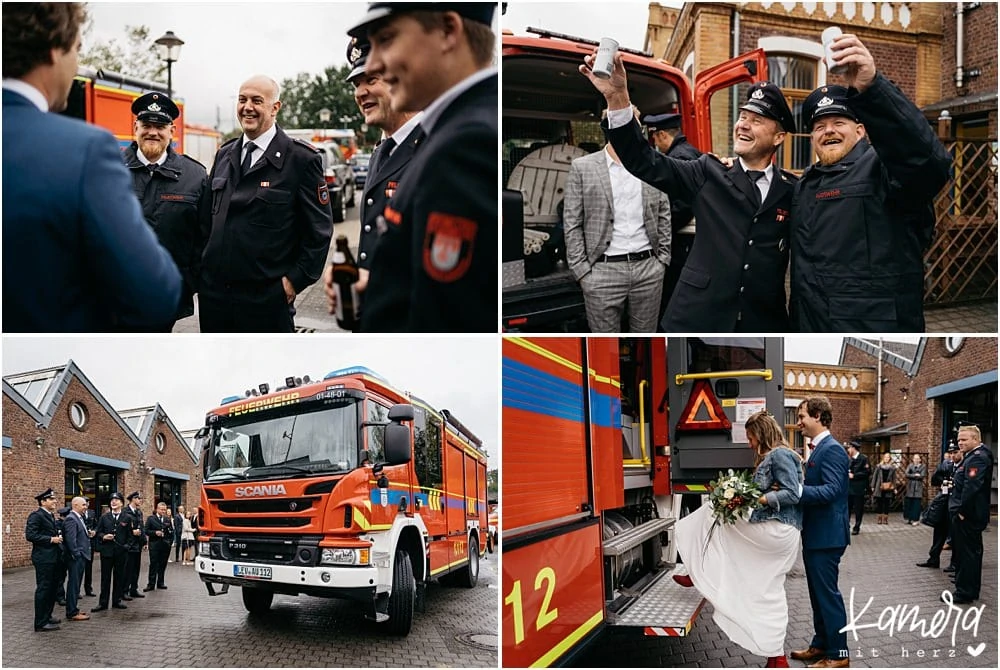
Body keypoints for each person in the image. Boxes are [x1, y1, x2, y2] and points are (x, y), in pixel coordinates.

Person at [583, 52, 797, 332]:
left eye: (756, 120)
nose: (743, 124)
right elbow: (644, 161)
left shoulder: (792, 189)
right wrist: (618, 98)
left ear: (778, 137)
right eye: (742, 116)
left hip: (761, 322)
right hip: (698, 317)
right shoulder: (708, 171)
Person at [2, 2, 181, 332]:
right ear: (56, 49)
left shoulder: (193, 174)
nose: (77, 66)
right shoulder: (86, 150)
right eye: (78, 50)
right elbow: (156, 293)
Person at [349, 2, 498, 332]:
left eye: (386, 39)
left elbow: (446, 320)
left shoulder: (466, 144)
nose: (373, 63)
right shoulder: (453, 133)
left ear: (448, 31)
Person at [791, 33, 952, 332]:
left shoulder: (884, 171)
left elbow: (928, 163)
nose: (828, 131)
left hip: (869, 325)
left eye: (839, 123)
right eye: (819, 127)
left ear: (861, 131)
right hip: (809, 325)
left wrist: (872, 88)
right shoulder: (804, 185)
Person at [200, 75, 332, 332]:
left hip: (266, 302)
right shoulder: (225, 154)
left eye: (256, 100)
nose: (247, 107)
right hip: (215, 300)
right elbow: (206, 221)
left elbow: (319, 233)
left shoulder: (300, 160)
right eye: (242, 100)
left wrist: (294, 281)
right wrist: (201, 274)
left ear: (275, 108)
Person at [674, 411, 803, 668]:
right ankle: (776, 657)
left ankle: (696, 570)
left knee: (714, 510)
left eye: (751, 436)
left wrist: (759, 498)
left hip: (777, 529)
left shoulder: (780, 455)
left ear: (761, 433)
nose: (749, 442)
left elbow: (793, 494)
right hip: (780, 531)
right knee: (766, 590)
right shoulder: (776, 456)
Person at [324, 35, 424, 325]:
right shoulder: (383, 151)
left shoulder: (435, 150)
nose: (360, 92)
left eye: (372, 79)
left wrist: (381, 283)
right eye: (356, 84)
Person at [562, 125, 671, 332]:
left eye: (637, 126)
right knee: (604, 345)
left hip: (648, 268)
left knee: (647, 340)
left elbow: (664, 211)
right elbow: (572, 221)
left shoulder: (653, 165)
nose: (634, 131)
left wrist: (662, 260)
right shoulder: (583, 167)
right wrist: (582, 271)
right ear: (611, 129)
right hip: (602, 271)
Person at [123, 91, 208, 331]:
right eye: (146, 125)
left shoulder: (195, 176)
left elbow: (204, 237)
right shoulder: (109, 169)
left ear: (172, 131)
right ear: (135, 128)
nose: (153, 132)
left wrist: (187, 282)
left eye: (160, 126)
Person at [792, 396, 850, 669]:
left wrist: (796, 492)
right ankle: (820, 645)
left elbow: (832, 490)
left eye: (802, 416)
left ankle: (839, 654)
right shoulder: (819, 448)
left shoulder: (833, 450)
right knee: (818, 594)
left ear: (817, 416)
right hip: (817, 534)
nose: (798, 422)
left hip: (827, 536)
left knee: (827, 595)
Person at [642, 112, 701, 322]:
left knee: (674, 293)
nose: (655, 144)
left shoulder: (679, 157)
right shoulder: (689, 151)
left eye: (655, 139)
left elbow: (683, 205)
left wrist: (660, 230)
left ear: (662, 135)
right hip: (689, 239)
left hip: (684, 238)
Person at [947, 425, 994, 604]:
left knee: (967, 554)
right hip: (970, 514)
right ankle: (970, 589)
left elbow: (971, 487)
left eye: (964, 439)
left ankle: (964, 592)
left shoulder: (978, 457)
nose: (960, 443)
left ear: (976, 439)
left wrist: (961, 512)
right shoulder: (973, 456)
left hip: (968, 515)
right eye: (959, 439)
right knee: (971, 553)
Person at [25, 489, 64, 631]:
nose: (55, 501)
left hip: (53, 558)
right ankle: (40, 623)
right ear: (43, 501)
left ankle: (47, 616)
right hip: (43, 558)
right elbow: (30, 535)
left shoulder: (50, 515)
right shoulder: (36, 516)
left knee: (52, 588)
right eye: (51, 499)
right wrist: (50, 539)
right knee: (44, 588)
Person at [917, 443, 959, 570]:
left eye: (955, 453)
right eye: (950, 453)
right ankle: (933, 559)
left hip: (955, 504)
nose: (952, 456)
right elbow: (934, 479)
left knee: (955, 535)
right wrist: (943, 482)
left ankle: (954, 563)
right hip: (944, 503)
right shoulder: (946, 464)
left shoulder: (964, 465)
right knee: (939, 532)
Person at [92, 492, 130, 611]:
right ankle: (103, 603)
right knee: (105, 578)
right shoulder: (104, 517)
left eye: (116, 500)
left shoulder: (127, 518)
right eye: (112, 500)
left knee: (119, 577)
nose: (113, 502)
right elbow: (98, 532)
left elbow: (129, 535)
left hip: (120, 552)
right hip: (107, 552)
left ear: (122, 503)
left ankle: (117, 601)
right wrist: (104, 536)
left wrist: (126, 546)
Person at [62, 496, 92, 621]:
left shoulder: (78, 518)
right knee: (74, 585)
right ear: (75, 505)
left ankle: (74, 609)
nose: (86, 507)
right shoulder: (71, 519)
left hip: (80, 557)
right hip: (76, 558)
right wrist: (77, 554)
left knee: (76, 584)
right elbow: (70, 540)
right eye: (84, 505)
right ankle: (72, 612)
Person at [144, 501, 173, 590]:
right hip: (154, 545)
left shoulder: (167, 519)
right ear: (157, 509)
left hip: (165, 546)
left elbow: (171, 532)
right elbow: (146, 531)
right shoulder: (151, 519)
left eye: (165, 510)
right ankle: (151, 584)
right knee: (153, 564)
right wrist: (155, 533)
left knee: (162, 564)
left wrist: (170, 543)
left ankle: (160, 582)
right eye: (162, 509)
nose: (163, 511)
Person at [123, 491, 146, 599]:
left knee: (136, 569)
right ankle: (124, 590)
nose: (140, 501)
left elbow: (142, 526)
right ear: (133, 499)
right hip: (129, 545)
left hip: (138, 544)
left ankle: (134, 589)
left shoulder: (139, 512)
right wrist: (131, 531)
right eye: (138, 499)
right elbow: (121, 528)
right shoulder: (125, 512)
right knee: (128, 569)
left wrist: (144, 541)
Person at [845, 441, 870, 535]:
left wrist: (854, 475)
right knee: (847, 508)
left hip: (859, 488)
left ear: (853, 448)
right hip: (849, 488)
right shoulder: (849, 459)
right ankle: (846, 525)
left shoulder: (863, 459)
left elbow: (867, 472)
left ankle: (857, 526)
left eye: (849, 448)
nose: (848, 450)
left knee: (858, 509)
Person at [870, 453, 896, 525]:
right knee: (879, 503)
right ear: (883, 458)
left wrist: (895, 488)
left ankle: (885, 519)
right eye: (885, 457)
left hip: (888, 487)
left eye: (888, 457)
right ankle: (879, 518)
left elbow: (894, 478)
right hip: (879, 487)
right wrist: (873, 486)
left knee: (887, 503)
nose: (887, 458)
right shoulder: (879, 466)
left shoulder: (892, 468)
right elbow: (874, 476)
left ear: (890, 459)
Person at [903, 454, 926, 525]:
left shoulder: (923, 466)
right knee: (909, 503)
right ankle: (909, 519)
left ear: (920, 460)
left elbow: (922, 476)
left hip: (918, 488)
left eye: (917, 459)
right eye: (915, 458)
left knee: (916, 504)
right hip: (910, 487)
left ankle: (916, 520)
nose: (916, 460)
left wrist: (912, 475)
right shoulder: (910, 465)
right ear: (913, 459)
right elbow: (906, 474)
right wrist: (915, 475)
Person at [81, 498, 98, 596]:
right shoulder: (78, 514)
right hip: (82, 543)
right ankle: (77, 591)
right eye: (84, 502)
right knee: (79, 568)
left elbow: (96, 525)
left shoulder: (92, 513)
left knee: (89, 567)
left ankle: (88, 589)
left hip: (90, 543)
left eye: (87, 502)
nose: (86, 504)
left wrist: (94, 531)